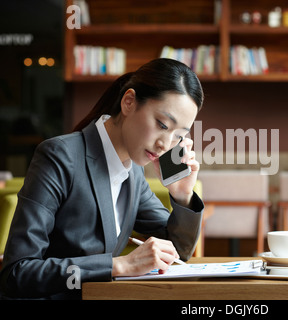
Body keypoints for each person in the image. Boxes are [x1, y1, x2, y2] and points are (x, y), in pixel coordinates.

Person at [0, 58, 205, 299]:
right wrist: (119, 265)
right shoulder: (60, 156)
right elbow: (17, 274)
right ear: (129, 102)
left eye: (178, 136)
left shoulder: (133, 172)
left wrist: (182, 196)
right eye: (162, 124)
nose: (165, 144)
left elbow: (177, 251)